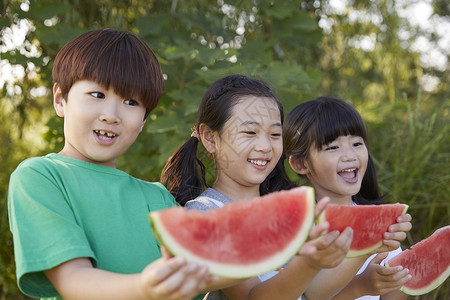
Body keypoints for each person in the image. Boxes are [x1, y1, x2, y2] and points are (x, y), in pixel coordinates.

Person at [7, 29, 213, 300]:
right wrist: (146, 287)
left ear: (142, 122)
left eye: (130, 102)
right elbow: (73, 280)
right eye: (97, 95)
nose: (111, 115)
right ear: (60, 100)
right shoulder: (40, 177)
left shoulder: (159, 197)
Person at [161, 74, 363, 300]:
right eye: (250, 132)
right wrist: (309, 263)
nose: (266, 146)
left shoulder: (287, 215)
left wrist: (368, 252)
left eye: (275, 134)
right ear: (209, 138)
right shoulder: (205, 214)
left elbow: (310, 295)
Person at [283, 96, 413, 300]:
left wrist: (398, 276)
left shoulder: (382, 223)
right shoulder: (296, 228)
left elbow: (394, 294)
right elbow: (307, 296)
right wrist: (362, 285)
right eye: (333, 147)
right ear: (300, 164)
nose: (349, 155)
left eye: (356, 143)